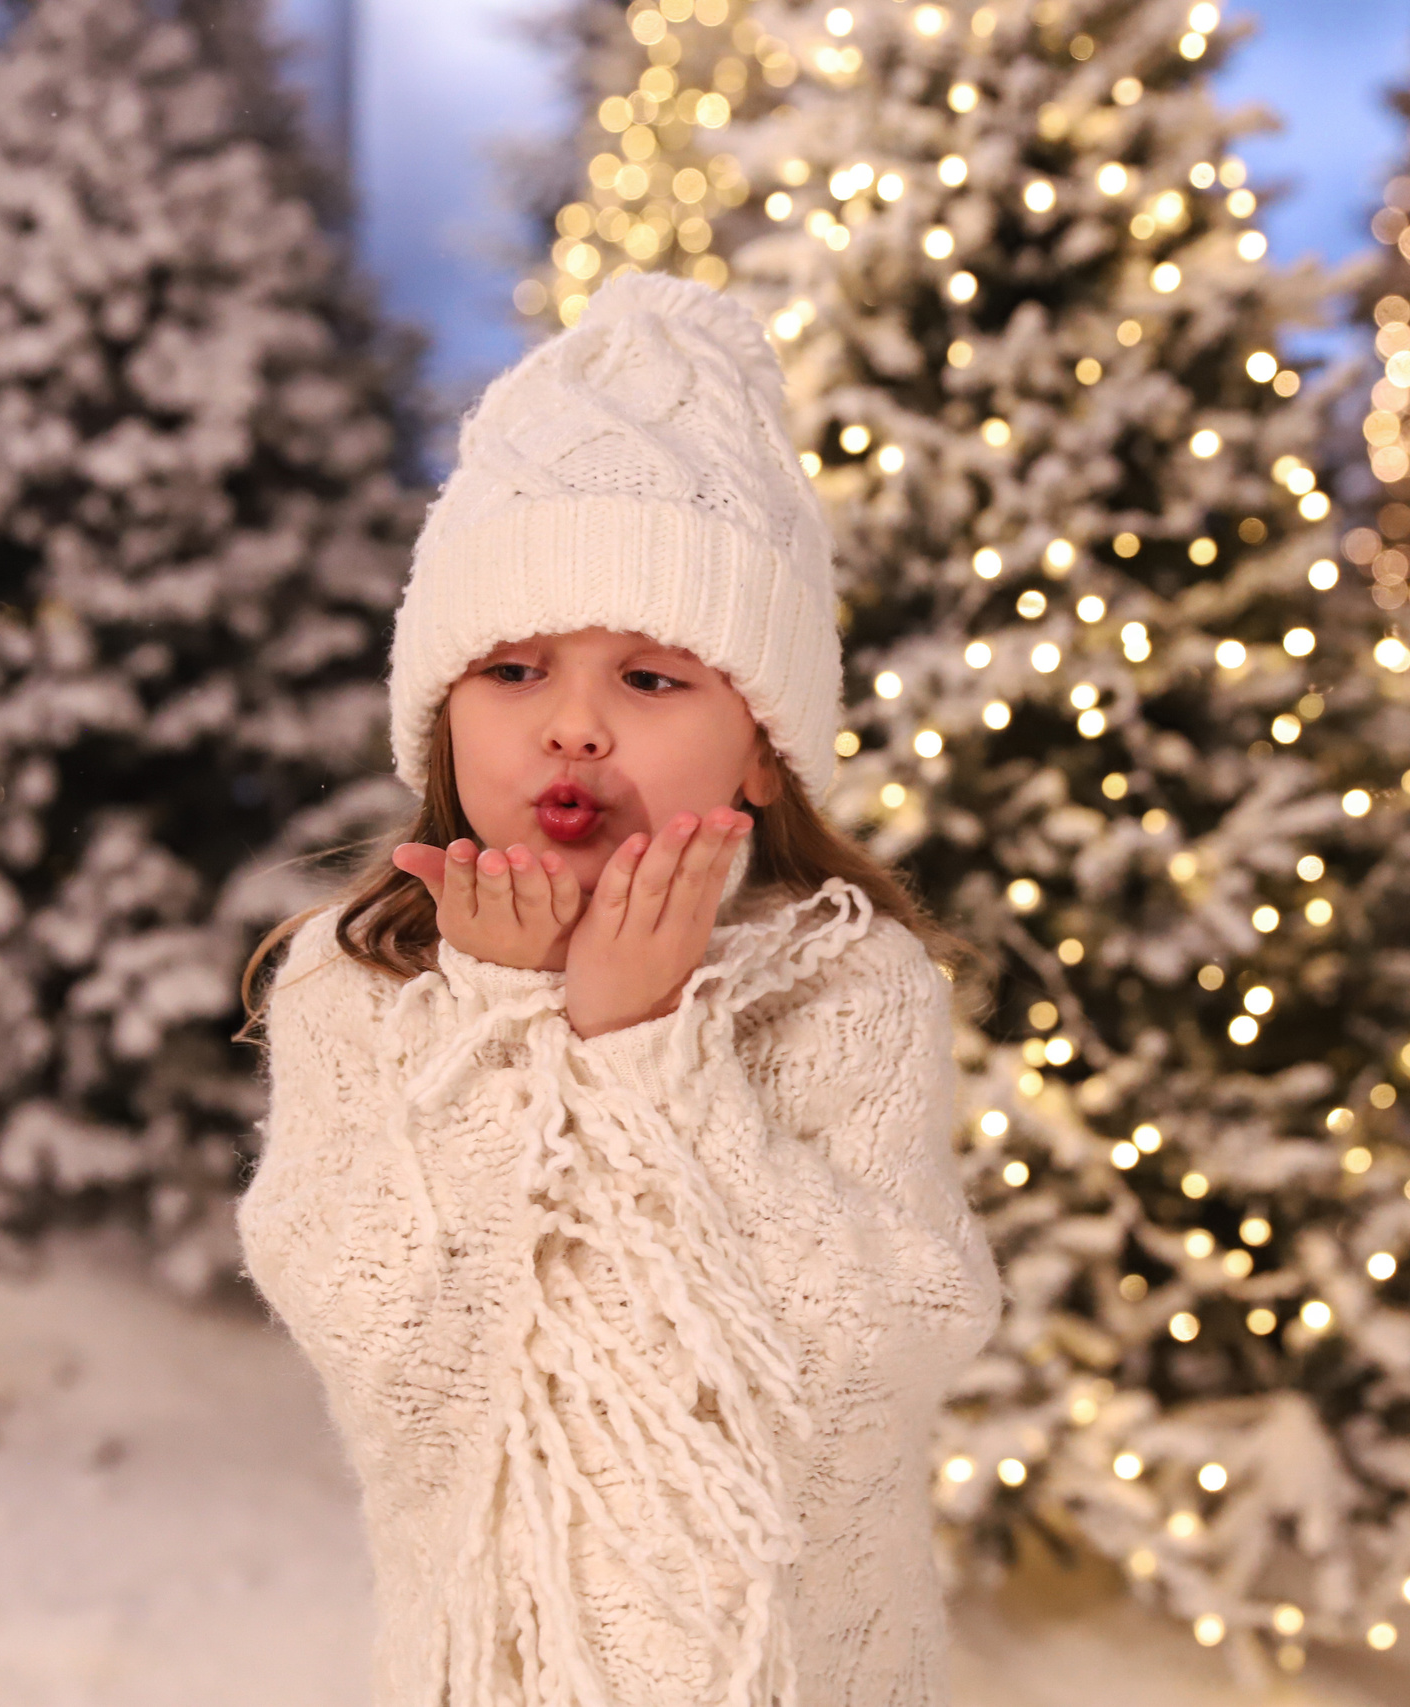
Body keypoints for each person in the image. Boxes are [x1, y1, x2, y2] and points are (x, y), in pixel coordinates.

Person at [233, 270, 1006, 1707]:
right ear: (443, 722)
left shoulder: (845, 990)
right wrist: (506, 1026)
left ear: (762, 748)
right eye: (515, 670)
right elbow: (395, 1364)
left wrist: (652, 1053)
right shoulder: (364, 993)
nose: (573, 726)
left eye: (651, 680)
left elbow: (872, 1352)